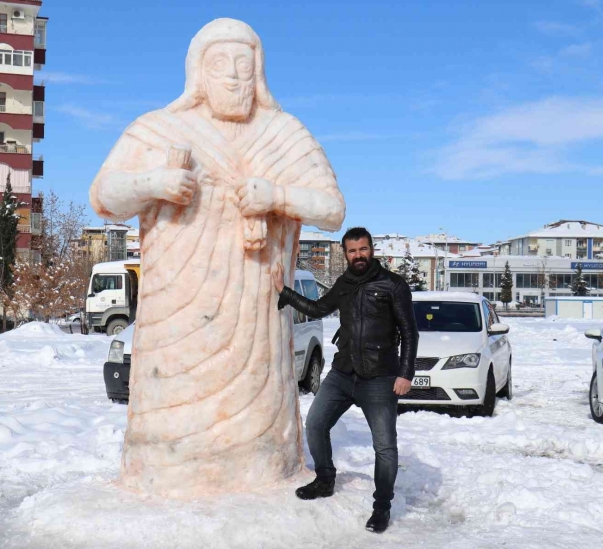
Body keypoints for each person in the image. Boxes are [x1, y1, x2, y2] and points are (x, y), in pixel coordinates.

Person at [89, 18, 345, 497]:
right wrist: (153, 183)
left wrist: (277, 194)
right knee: (173, 418)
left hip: (256, 314)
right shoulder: (160, 129)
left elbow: (331, 209)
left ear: (259, 74)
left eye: (244, 66)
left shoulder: (283, 133)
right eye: (220, 65)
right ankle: (166, 473)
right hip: (176, 316)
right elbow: (104, 193)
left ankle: (260, 469)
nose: (233, 77)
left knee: (255, 429)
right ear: (198, 74)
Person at [273, 227, 419, 533]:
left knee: (384, 447)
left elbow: (409, 332)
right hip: (342, 373)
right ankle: (325, 479)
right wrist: (285, 293)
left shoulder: (393, 285)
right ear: (346, 254)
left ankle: (382, 507)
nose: (358, 256)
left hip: (380, 378)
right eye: (352, 251)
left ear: (372, 250)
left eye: (362, 249)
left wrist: (405, 373)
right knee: (315, 424)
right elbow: (318, 308)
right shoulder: (345, 283)